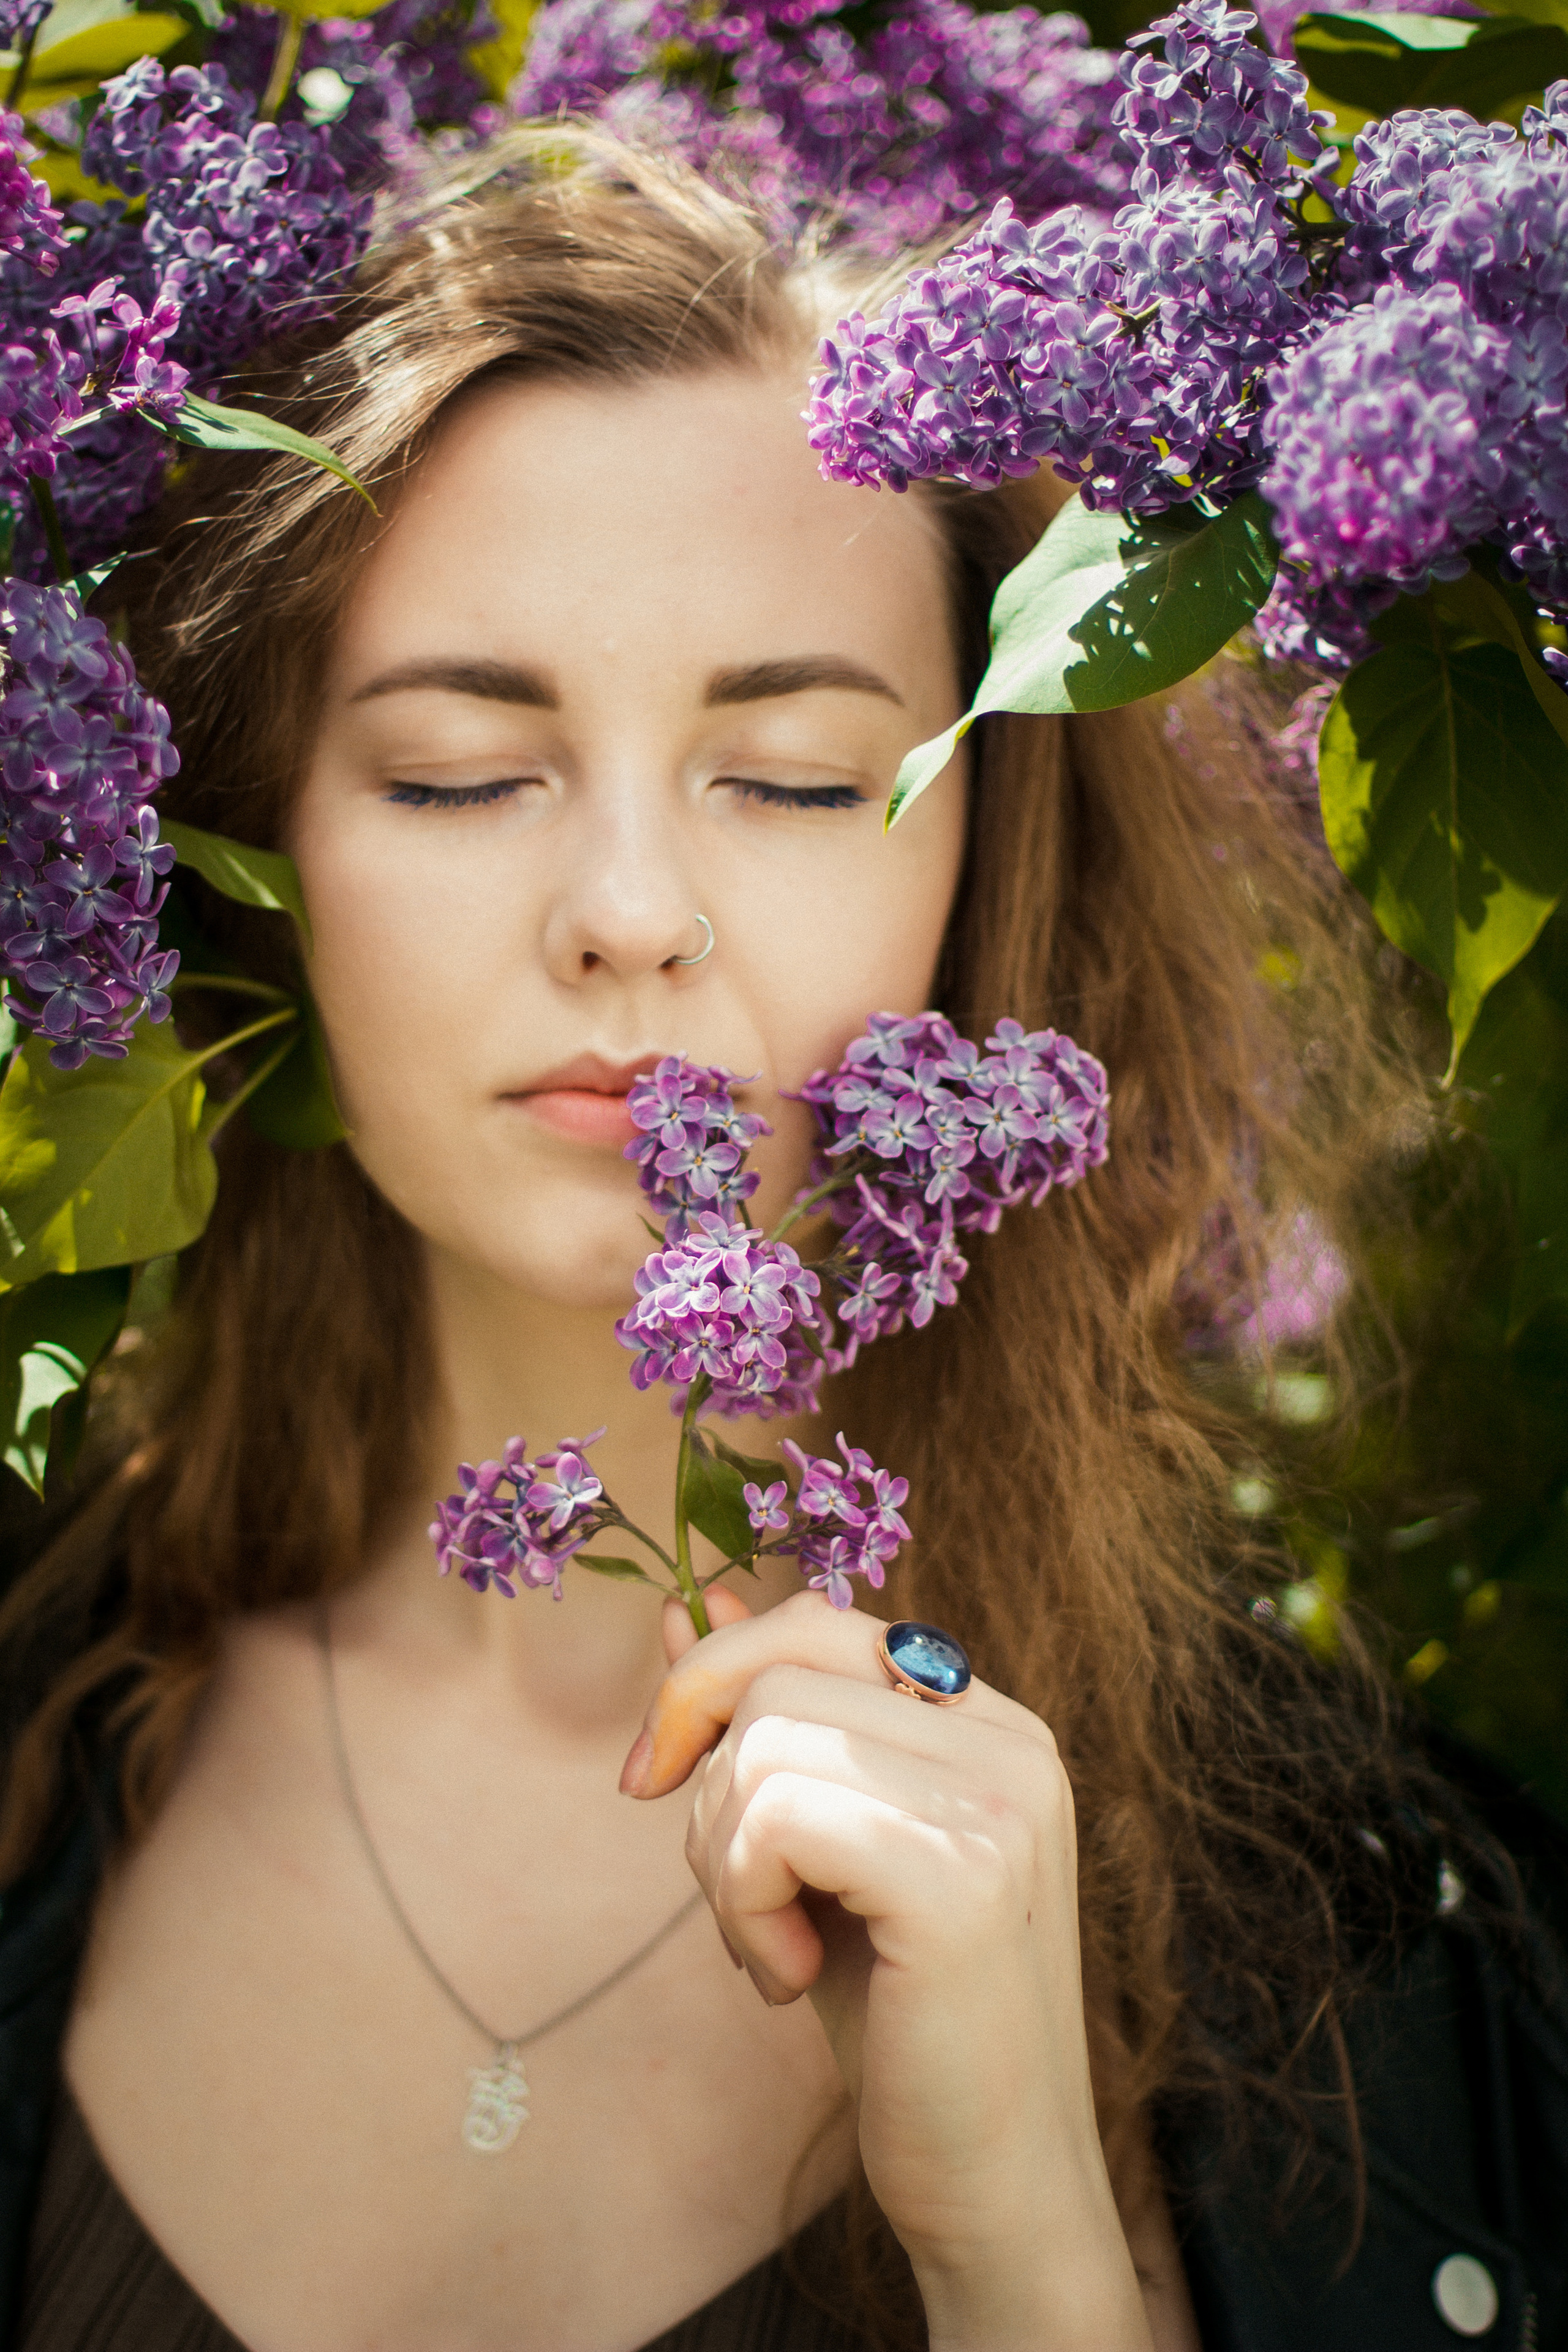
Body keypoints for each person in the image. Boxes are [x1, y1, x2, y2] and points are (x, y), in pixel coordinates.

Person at [1, 130, 1565, 2352]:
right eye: (457, 770)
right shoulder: (38, 1701)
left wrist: (1031, 2245)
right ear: (257, 845)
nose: (630, 914)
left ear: (980, 860)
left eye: (802, 777)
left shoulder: (1374, 1952)